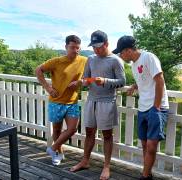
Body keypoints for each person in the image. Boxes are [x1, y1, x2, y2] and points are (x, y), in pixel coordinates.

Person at [69, 30, 125, 180]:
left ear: (106, 44)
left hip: (107, 101)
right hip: (91, 100)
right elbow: (86, 78)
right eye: (93, 47)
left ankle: (106, 166)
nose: (96, 50)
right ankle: (85, 161)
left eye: (99, 46)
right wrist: (82, 82)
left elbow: (122, 82)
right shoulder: (91, 59)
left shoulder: (115, 60)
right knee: (89, 132)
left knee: (107, 135)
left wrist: (105, 81)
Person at [113, 36, 169, 180]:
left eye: (121, 52)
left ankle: (144, 176)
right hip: (142, 107)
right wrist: (135, 85)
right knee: (144, 145)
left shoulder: (149, 57)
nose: (120, 55)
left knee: (151, 146)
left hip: (156, 107)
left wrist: (156, 107)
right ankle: (148, 174)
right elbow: (145, 79)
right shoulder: (133, 64)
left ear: (128, 50)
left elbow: (160, 81)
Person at [35, 35, 87, 166]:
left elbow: (91, 77)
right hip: (56, 101)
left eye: (77, 48)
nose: (75, 50)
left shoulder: (84, 60)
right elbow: (38, 70)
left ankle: (52, 148)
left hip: (72, 102)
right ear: (66, 47)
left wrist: (81, 82)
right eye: (72, 47)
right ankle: (57, 153)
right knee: (57, 130)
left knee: (72, 129)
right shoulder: (56, 61)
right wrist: (48, 87)